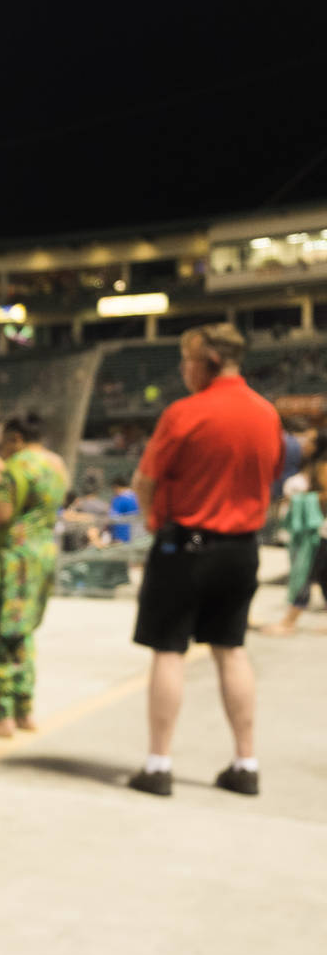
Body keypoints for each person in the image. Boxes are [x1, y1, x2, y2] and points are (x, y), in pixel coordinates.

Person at [126, 324, 284, 797]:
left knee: (169, 651)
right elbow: (271, 480)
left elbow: (145, 480)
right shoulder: (266, 413)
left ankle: (158, 765)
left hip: (186, 546)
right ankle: (246, 761)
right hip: (241, 549)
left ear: (208, 361)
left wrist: (156, 522)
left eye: (187, 359)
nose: (183, 369)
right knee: (231, 649)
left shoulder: (185, 413)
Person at [0, 412, 67, 737]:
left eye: (1, 440)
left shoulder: (16, 467)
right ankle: (24, 711)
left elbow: (3, 513)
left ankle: (0, 716)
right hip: (42, 556)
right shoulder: (56, 464)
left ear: (16, 438)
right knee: (22, 633)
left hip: (10, 561)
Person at [258, 435, 325, 637]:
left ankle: (289, 621)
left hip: (318, 532)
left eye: (311, 440)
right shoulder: (311, 465)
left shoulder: (322, 466)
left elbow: (324, 495)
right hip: (316, 532)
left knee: (304, 574)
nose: (305, 443)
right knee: (321, 576)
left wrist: (299, 499)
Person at [107, 472, 140, 544]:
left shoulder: (119, 499)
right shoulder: (138, 497)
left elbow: (112, 519)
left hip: (121, 538)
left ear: (116, 487)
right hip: (138, 538)